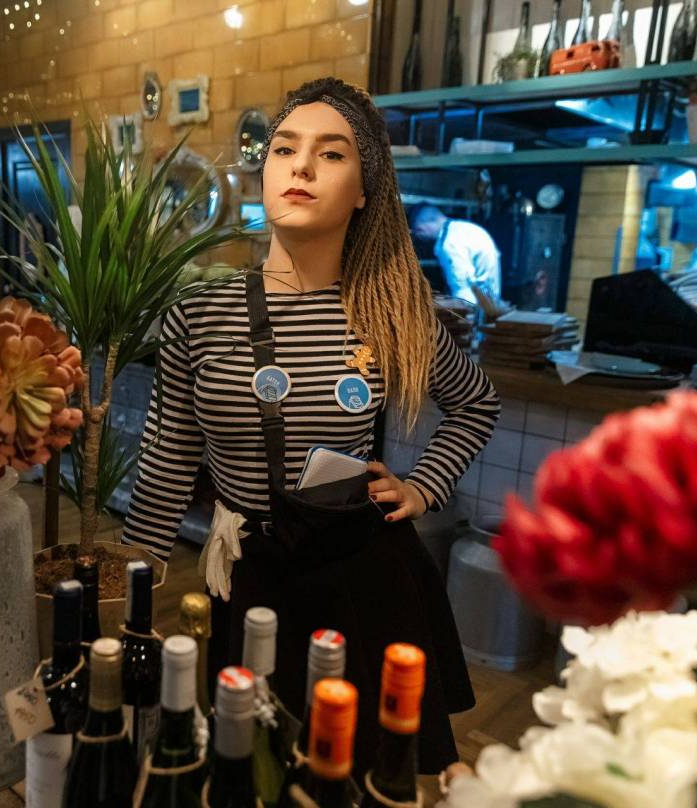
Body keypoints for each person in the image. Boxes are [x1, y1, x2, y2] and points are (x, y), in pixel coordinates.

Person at [120, 77, 500, 778]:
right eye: (284, 148)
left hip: (361, 575)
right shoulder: (198, 315)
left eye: (330, 154)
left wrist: (421, 488)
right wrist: (131, 584)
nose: (300, 165)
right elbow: (170, 456)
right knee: (253, 763)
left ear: (364, 191)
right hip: (250, 574)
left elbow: (476, 404)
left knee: (351, 769)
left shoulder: (391, 310)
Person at [410, 203, 502, 305]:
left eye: (418, 231)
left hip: (481, 308)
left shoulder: (449, 243)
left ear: (425, 225)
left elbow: (465, 299)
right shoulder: (462, 228)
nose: (419, 236)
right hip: (490, 300)